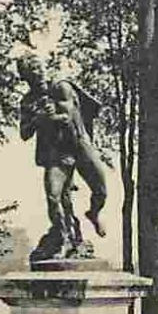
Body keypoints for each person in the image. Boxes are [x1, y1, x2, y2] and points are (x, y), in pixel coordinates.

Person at [17, 57, 108, 258]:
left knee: (101, 191)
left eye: (39, 72)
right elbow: (24, 133)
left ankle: (93, 213)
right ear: (26, 79)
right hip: (58, 154)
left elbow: (68, 118)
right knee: (54, 196)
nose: (38, 78)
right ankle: (63, 237)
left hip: (80, 145)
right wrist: (38, 119)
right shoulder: (28, 101)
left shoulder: (61, 87)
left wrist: (52, 116)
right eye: (32, 77)